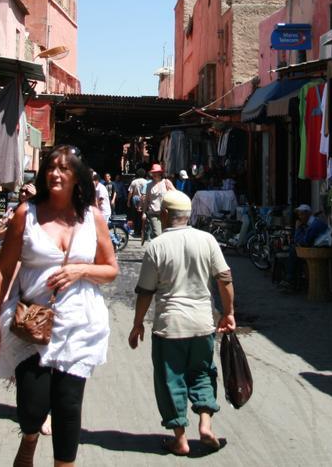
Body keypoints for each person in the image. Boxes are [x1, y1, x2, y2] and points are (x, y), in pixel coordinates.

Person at [0, 144, 118, 467]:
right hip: (33, 325)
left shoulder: (93, 219)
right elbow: (2, 270)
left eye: (64, 168)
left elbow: (111, 269)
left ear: (77, 177)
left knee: (68, 407)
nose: (55, 173)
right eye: (51, 168)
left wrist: (81, 270)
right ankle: (29, 439)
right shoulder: (25, 214)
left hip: (79, 327)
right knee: (31, 408)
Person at [129, 190, 235, 457]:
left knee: (170, 380)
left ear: (164, 214)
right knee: (202, 373)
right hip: (202, 324)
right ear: (187, 215)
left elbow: (145, 291)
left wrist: (138, 323)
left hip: (170, 326)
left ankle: (180, 438)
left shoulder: (157, 245)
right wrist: (229, 312)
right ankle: (206, 424)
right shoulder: (207, 240)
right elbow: (225, 278)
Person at [281, 204, 328, 291]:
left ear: (308, 214)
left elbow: (304, 242)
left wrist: (298, 228)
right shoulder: (311, 223)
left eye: (301, 214)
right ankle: (291, 280)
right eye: (299, 215)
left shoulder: (314, 225)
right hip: (317, 247)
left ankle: (290, 279)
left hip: (320, 250)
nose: (300, 217)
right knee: (294, 250)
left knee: (293, 251)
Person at [142, 164, 175, 242]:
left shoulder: (166, 182)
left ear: (160, 173)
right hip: (153, 212)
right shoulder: (149, 185)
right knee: (158, 235)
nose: (155, 174)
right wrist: (143, 213)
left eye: (157, 172)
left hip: (165, 213)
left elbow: (174, 193)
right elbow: (146, 200)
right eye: (153, 173)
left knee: (166, 234)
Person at [128, 168, 148, 238]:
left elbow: (130, 192)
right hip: (143, 199)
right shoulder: (146, 182)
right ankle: (141, 230)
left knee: (135, 215)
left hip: (134, 199)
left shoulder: (134, 182)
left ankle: (136, 230)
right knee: (141, 215)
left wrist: (128, 201)